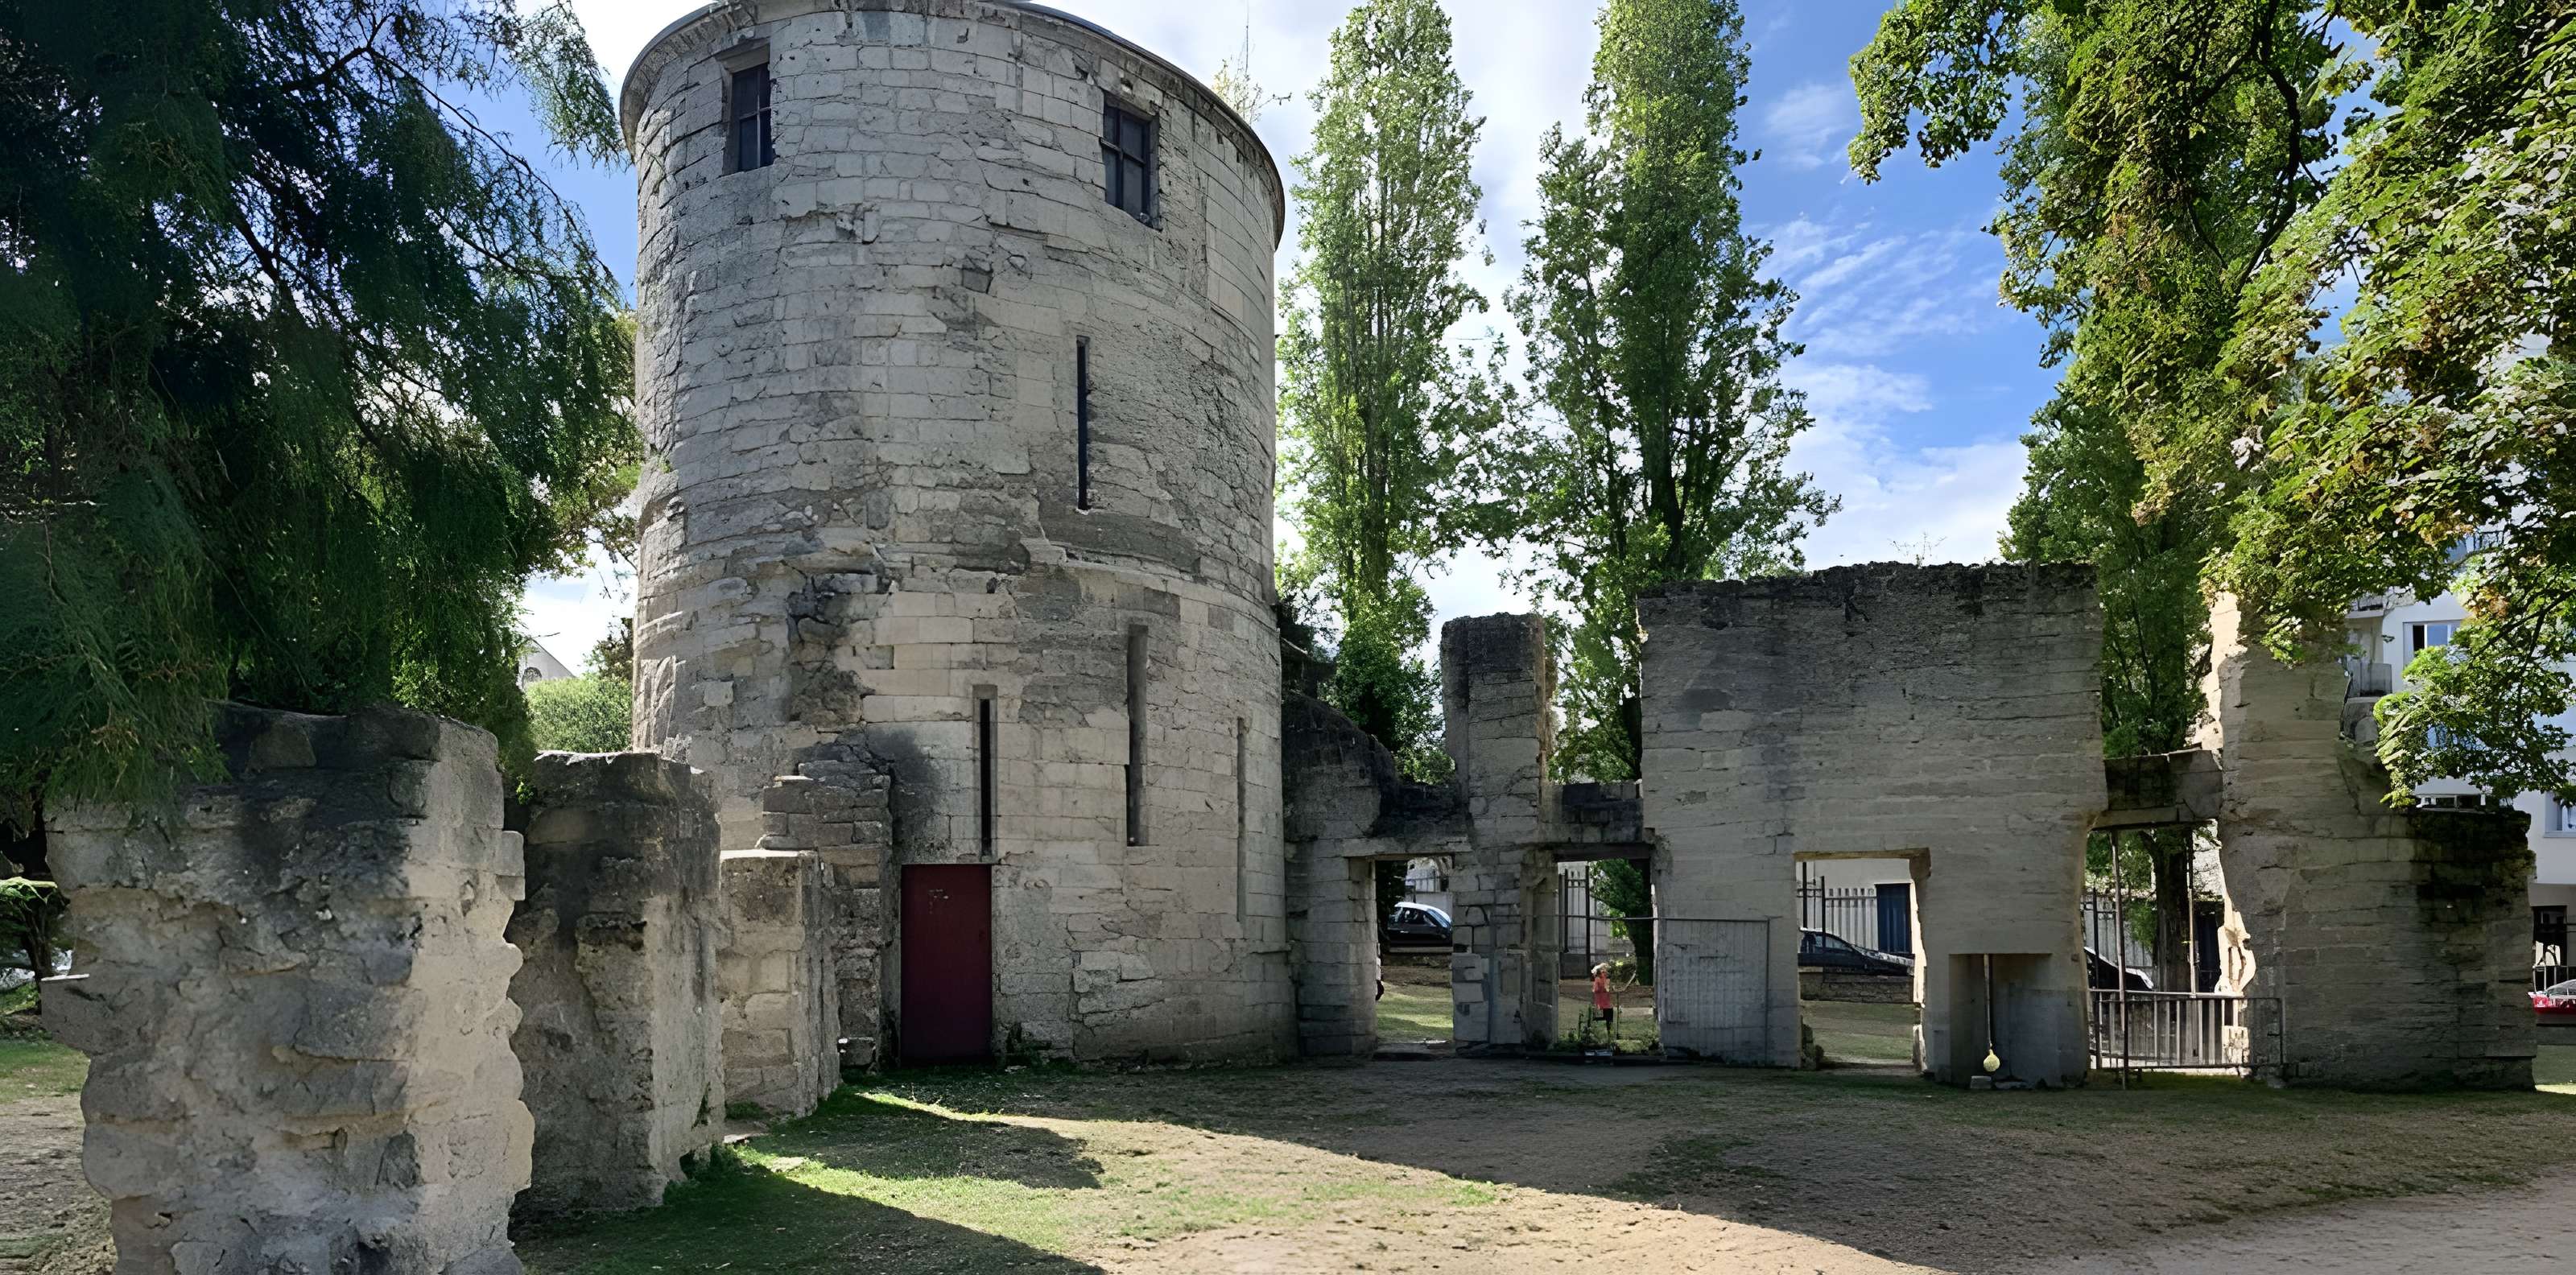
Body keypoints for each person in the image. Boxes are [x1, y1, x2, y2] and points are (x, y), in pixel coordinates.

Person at [1591, 962, 1615, 1043]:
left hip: (1600, 1003)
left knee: (1597, 1020)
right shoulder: (1607, 979)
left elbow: (1596, 990)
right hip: (1607, 1003)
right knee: (1609, 1020)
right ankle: (1609, 1036)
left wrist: (1595, 989)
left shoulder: (1598, 979)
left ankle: (1596, 1036)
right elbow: (1607, 988)